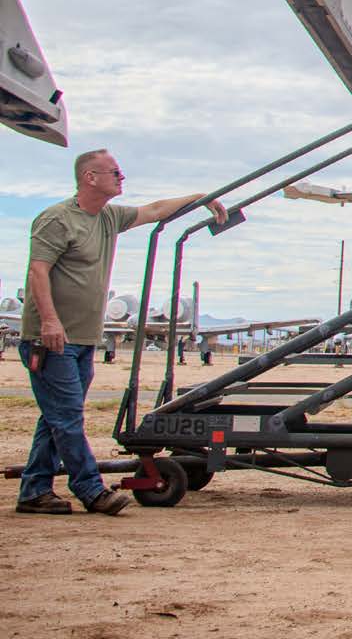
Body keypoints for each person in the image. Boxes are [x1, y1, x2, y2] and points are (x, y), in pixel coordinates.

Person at [16, 149, 226, 516]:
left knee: (57, 417)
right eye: (114, 172)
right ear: (89, 177)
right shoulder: (57, 220)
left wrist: (197, 198)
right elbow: (38, 272)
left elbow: (156, 211)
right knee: (66, 418)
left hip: (82, 339)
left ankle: (35, 491)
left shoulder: (108, 217)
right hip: (51, 339)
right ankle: (91, 490)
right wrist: (49, 321)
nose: (121, 177)